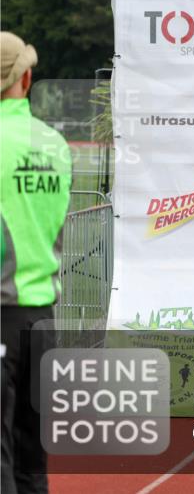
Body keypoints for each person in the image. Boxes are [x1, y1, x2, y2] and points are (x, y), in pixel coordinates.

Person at [1, 32, 72, 494]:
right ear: (25, 78)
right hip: (43, 317)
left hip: (1, 312)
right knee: (32, 459)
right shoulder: (55, 145)